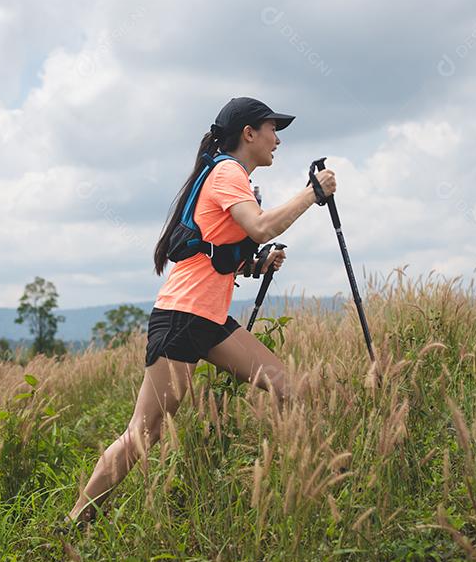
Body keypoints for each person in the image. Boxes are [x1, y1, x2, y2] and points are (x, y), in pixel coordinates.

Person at [66, 97, 337, 525]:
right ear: (248, 133)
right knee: (145, 432)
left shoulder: (233, 176)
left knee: (291, 389)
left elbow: (215, 254)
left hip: (209, 321)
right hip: (182, 317)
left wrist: (254, 264)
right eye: (272, 129)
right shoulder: (229, 172)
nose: (277, 139)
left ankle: (300, 484)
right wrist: (312, 193)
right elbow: (262, 226)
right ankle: (74, 521)